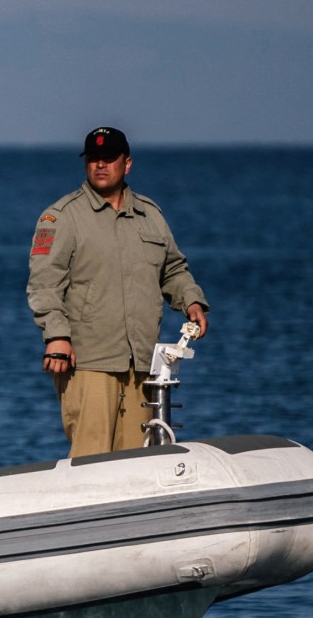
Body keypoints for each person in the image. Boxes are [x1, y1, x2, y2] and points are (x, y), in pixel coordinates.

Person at [28, 128, 208, 457]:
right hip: (88, 363)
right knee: (91, 460)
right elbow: (43, 285)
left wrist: (192, 300)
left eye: (109, 158)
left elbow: (173, 269)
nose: (100, 165)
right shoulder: (62, 217)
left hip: (141, 364)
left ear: (127, 164)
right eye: (93, 159)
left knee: (139, 461)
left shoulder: (150, 215)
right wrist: (56, 337)